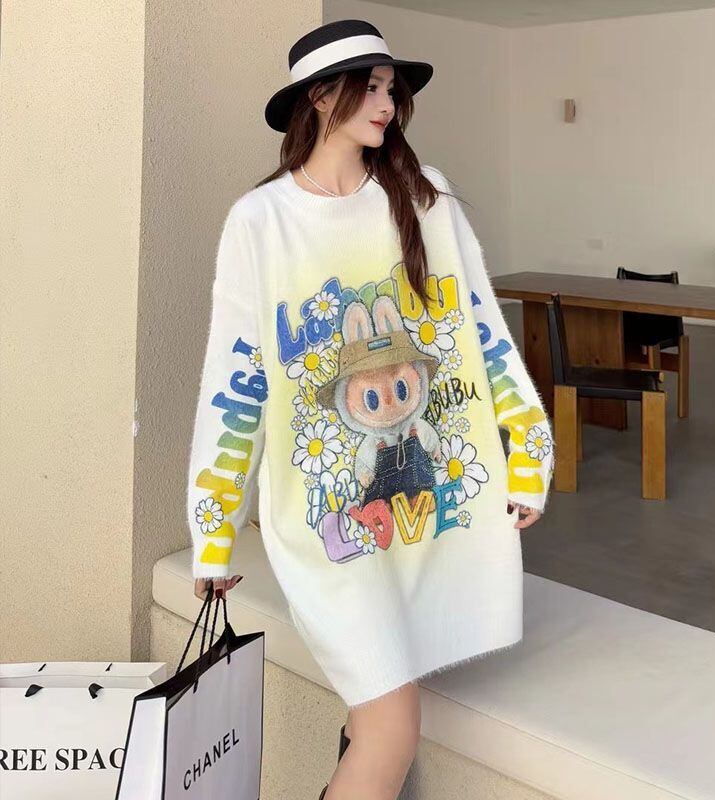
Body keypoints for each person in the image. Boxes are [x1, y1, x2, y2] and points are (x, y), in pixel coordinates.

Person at [186, 18, 554, 800]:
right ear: (321, 98)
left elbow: (481, 332)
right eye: (370, 87)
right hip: (328, 531)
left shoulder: (424, 198)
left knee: (376, 708)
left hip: (428, 510)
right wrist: (214, 531)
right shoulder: (261, 221)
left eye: (392, 88)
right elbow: (239, 383)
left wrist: (528, 452)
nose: (388, 104)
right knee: (393, 725)